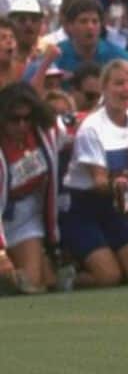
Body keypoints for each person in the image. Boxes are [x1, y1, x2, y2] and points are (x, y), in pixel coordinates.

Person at [59, 60, 128, 288]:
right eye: (118, 83)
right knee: (108, 278)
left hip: (113, 206)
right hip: (82, 207)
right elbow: (99, 181)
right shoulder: (92, 128)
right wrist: (122, 185)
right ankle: (68, 276)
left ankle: (105, 255)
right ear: (104, 88)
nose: (126, 89)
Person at [0, 83, 66, 292]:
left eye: (27, 118)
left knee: (34, 283)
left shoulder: (47, 133)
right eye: (14, 120)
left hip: (26, 214)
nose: (21, 125)